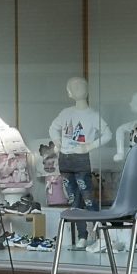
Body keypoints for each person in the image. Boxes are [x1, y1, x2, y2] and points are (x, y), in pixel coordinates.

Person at [47, 76, 111, 249]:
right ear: (69, 93)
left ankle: (100, 235)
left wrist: (89, 146)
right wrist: (58, 142)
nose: (77, 89)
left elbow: (107, 134)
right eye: (73, 87)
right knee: (73, 199)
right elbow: (53, 128)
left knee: (88, 197)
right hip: (65, 160)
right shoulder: (66, 113)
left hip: (81, 158)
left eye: (80, 86)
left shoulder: (93, 115)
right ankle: (82, 236)